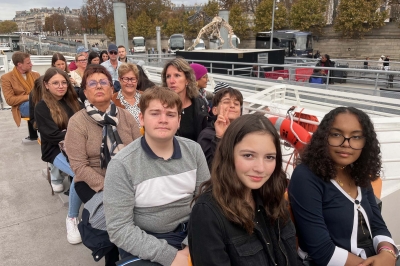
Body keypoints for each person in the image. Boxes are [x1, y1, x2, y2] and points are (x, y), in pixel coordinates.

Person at [103, 86, 210, 265]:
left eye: (170, 114)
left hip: (192, 232)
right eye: (155, 113)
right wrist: (171, 256)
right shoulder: (122, 164)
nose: (163, 120)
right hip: (147, 240)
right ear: (142, 118)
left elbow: (205, 203)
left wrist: (189, 245)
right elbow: (119, 228)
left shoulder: (194, 151)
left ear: (178, 120)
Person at [288, 107, 399, 266]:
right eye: (336, 134)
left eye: (356, 137)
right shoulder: (306, 176)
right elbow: (321, 251)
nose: (346, 144)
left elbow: (377, 224)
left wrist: (388, 253)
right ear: (323, 137)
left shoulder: (358, 172)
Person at [188, 114, 300, 266]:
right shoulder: (207, 214)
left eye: (269, 157)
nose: (260, 168)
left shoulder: (272, 197)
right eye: (248, 155)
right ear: (229, 154)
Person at [64, 64, 141, 265]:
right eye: (92, 83)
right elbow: (79, 166)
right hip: (91, 182)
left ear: (111, 88)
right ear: (85, 92)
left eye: (103, 82)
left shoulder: (126, 117)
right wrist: (112, 187)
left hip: (127, 178)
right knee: (116, 216)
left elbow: (138, 153)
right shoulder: (77, 122)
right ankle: (115, 257)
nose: (98, 87)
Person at [34, 67, 83, 245]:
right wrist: (75, 132)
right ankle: (71, 218)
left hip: (77, 146)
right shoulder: (42, 106)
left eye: (63, 82)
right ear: (46, 85)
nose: (61, 86)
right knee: (80, 174)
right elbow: (51, 135)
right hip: (54, 150)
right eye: (55, 83)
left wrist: (70, 132)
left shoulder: (73, 101)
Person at [161, 58, 208, 141]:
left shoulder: (200, 105)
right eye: (168, 76)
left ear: (187, 80)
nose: (172, 81)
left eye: (177, 75)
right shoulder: (160, 106)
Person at [197, 87, 243, 169]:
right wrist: (219, 138)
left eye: (236, 104)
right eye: (226, 102)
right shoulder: (207, 135)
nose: (232, 106)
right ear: (215, 110)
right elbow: (208, 169)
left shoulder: (244, 133)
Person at [1, 52, 40, 140]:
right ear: (19, 64)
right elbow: (10, 100)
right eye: (28, 63)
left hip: (37, 101)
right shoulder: (6, 78)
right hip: (21, 106)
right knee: (42, 106)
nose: (31, 64)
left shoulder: (35, 75)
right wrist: (30, 96)